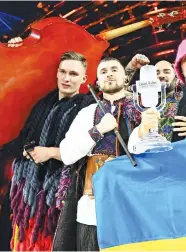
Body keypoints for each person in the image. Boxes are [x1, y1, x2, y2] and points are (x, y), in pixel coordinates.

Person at [52, 56, 147, 251]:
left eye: (114, 69)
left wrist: (144, 130)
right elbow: (68, 153)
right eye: (103, 72)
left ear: (125, 77)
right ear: (97, 82)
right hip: (90, 208)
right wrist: (98, 130)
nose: (109, 74)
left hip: (131, 205)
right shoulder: (87, 113)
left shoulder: (142, 112)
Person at [3, 51, 93, 251]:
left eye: (73, 74)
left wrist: (51, 152)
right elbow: (25, 136)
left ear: (84, 79)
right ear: (57, 73)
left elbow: (86, 148)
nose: (67, 78)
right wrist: (27, 150)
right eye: (63, 72)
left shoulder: (88, 107)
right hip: (28, 191)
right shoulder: (45, 102)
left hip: (59, 194)